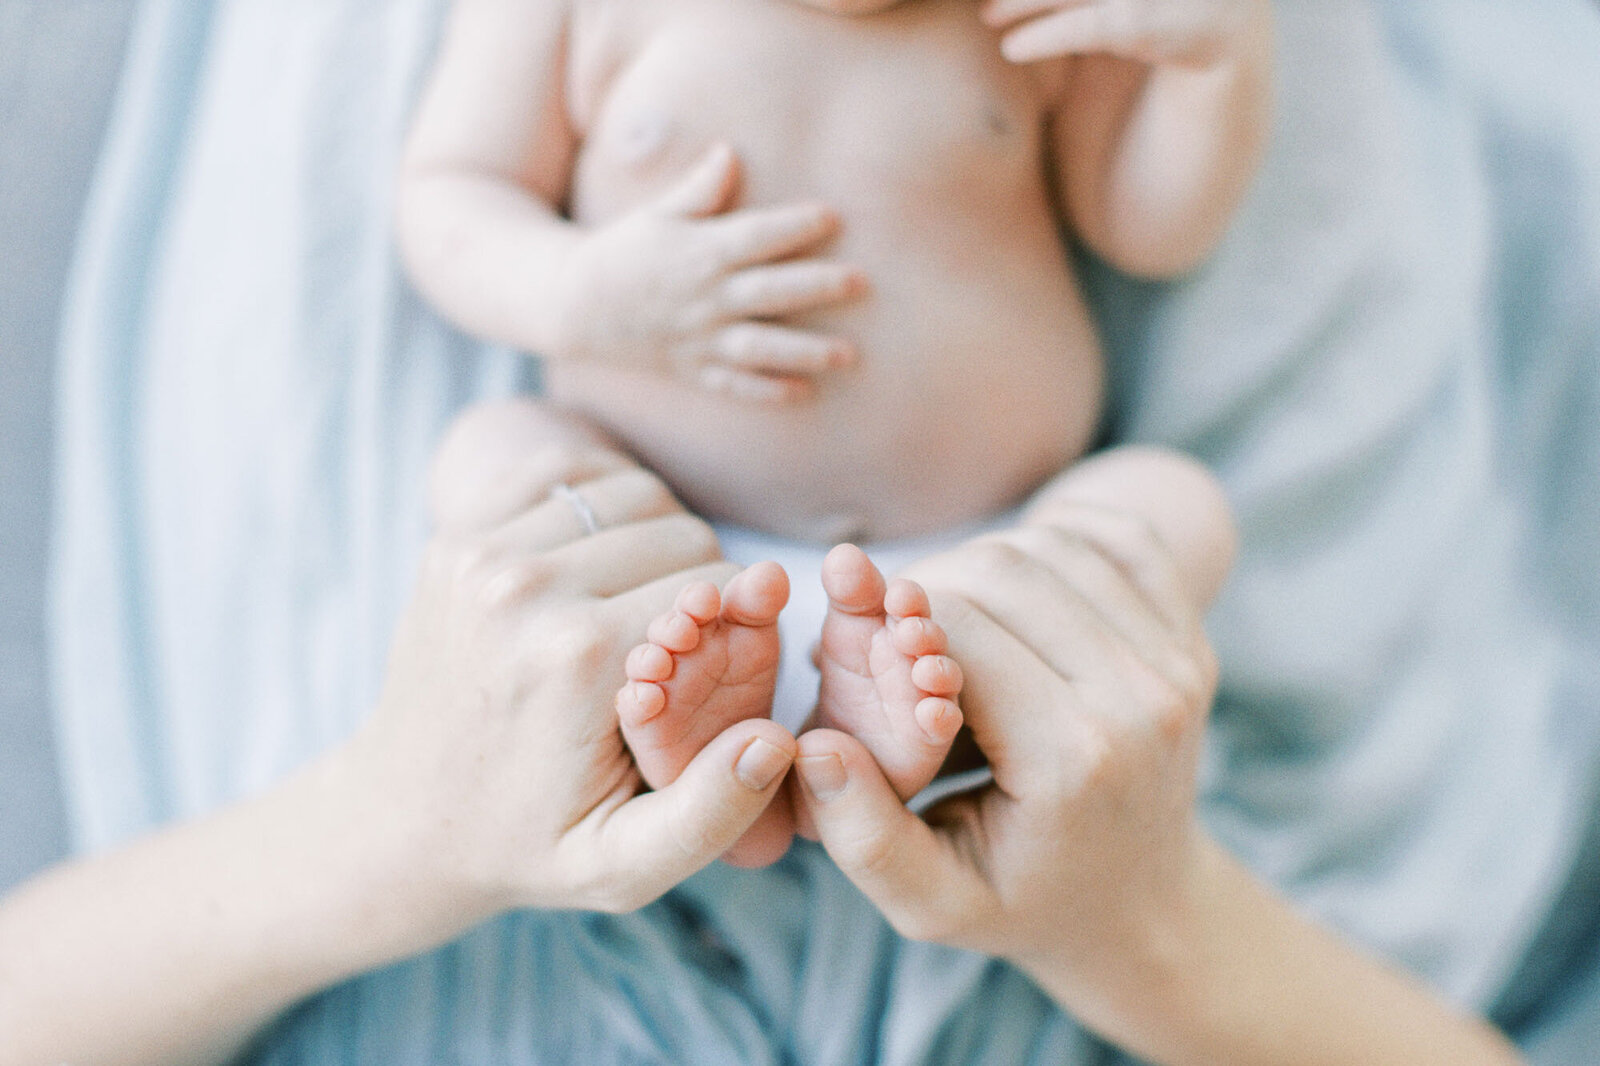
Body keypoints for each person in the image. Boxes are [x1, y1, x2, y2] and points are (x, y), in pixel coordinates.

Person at [0, 400, 1524, 1066]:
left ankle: (725, 714)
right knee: (1161, 513)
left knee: (498, 466)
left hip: (631, 559)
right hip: (980, 583)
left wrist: (388, 826)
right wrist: (1147, 925)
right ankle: (915, 686)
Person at [392, 0, 1274, 863]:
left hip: (980, 576)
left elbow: (1146, 228)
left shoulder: (1035, 17)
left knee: (1174, 505)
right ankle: (687, 716)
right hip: (660, 563)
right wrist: (581, 291)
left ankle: (921, 723)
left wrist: (1210, 61)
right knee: (494, 454)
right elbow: (456, 189)